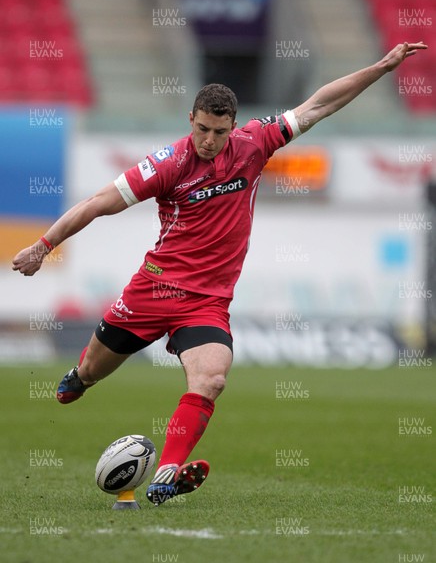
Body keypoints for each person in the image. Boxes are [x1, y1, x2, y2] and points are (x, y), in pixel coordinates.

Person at [12, 42, 427, 506]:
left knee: (211, 379)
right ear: (191, 119)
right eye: (204, 129)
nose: (210, 140)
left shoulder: (255, 143)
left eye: (220, 132)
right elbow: (95, 204)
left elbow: (320, 104)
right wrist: (42, 246)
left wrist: (381, 66)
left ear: (233, 127)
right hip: (153, 290)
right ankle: (82, 377)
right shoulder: (167, 165)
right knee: (90, 371)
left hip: (207, 302)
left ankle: (166, 471)